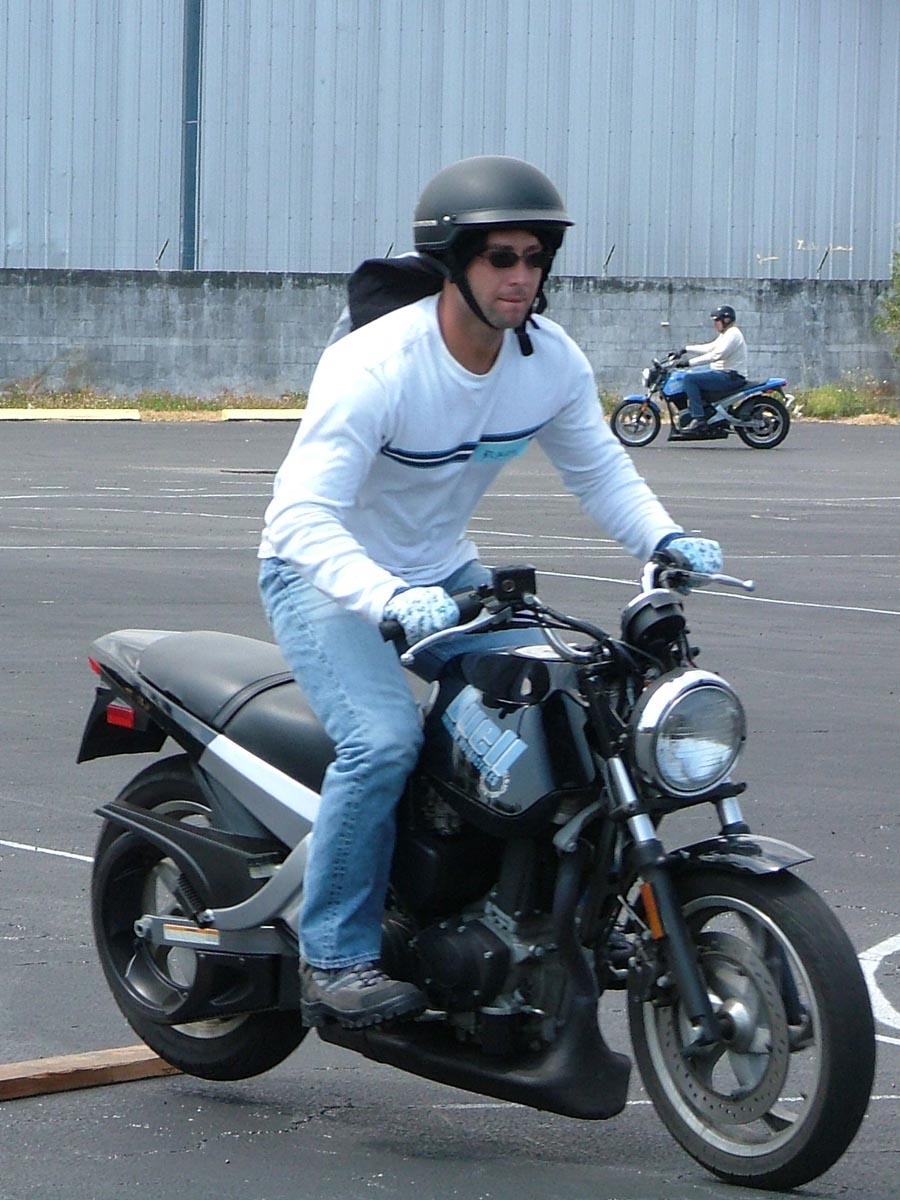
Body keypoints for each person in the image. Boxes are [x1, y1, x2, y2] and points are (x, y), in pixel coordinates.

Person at [257, 155, 724, 1029]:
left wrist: (663, 537)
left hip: (445, 574)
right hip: (324, 575)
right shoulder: (377, 364)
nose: (520, 276)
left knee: (568, 709)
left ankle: (514, 914)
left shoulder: (547, 362)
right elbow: (300, 515)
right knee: (383, 742)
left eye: (534, 258)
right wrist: (386, 596)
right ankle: (336, 957)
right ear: (454, 264)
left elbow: (600, 473)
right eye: (500, 258)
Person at [677, 305, 748, 431]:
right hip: (724, 373)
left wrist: (689, 362)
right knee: (692, 373)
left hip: (731, 376)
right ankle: (706, 409)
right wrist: (685, 349)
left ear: (726, 320)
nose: (714, 323)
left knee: (689, 379)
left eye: (717, 320)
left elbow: (716, 355)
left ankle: (699, 418)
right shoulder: (726, 334)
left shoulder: (733, 334)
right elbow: (710, 347)